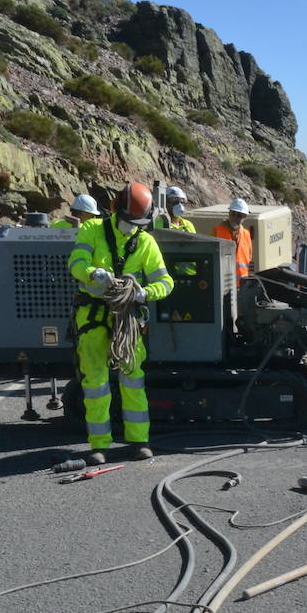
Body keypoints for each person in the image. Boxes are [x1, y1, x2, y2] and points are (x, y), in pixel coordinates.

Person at [67, 182, 174, 464]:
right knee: (96, 384)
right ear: (116, 212)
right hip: (93, 316)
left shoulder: (145, 242)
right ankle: (99, 445)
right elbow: (75, 263)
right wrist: (93, 274)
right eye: (129, 222)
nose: (132, 227)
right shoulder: (92, 230)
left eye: (138, 223)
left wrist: (143, 293)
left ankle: (139, 441)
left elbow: (165, 282)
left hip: (127, 319)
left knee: (132, 380)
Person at [212, 198, 252, 284]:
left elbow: (249, 256)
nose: (235, 217)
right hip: (224, 283)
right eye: (233, 214)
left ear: (245, 217)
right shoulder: (217, 231)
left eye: (239, 215)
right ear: (229, 213)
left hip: (242, 283)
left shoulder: (246, 234)